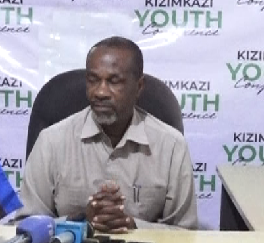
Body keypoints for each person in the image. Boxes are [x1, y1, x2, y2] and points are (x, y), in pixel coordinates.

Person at [18, 36, 198, 232]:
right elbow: (25, 226)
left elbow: (186, 233)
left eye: (114, 81)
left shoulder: (171, 146)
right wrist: (80, 220)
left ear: (138, 87)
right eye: (93, 80)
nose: (100, 92)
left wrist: (133, 226)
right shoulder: (52, 141)